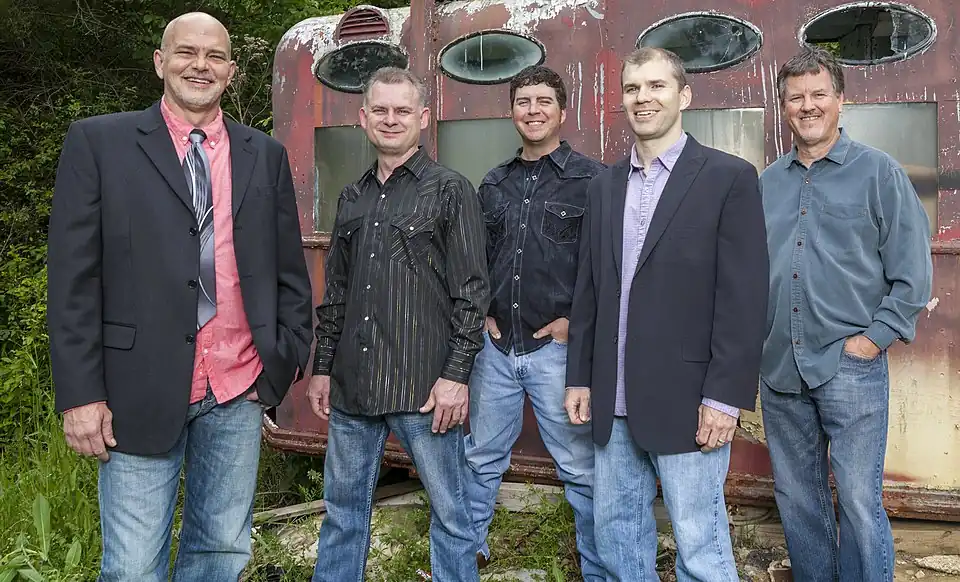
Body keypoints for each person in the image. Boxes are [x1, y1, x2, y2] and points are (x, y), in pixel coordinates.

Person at [46, 12, 313, 581]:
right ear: (160, 62)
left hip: (237, 387)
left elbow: (288, 267)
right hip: (135, 389)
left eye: (215, 56)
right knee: (133, 567)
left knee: (221, 553)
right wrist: (80, 395)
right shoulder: (100, 143)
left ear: (231, 71)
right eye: (187, 52)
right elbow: (72, 281)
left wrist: (283, 359)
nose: (200, 65)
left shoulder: (263, 154)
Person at [565, 46, 769, 580]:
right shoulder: (603, 186)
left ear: (684, 96)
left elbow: (744, 298)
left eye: (656, 86)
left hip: (689, 401)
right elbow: (589, 290)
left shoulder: (728, 178)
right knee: (618, 544)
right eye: (633, 88)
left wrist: (724, 398)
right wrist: (579, 377)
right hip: (612, 400)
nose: (643, 98)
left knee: (700, 549)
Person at [306, 67, 489, 582]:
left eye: (402, 110)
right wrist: (322, 367)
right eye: (381, 110)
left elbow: (473, 291)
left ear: (423, 118)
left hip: (424, 388)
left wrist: (455, 377)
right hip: (353, 387)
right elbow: (336, 292)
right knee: (343, 513)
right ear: (364, 118)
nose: (391, 119)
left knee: (451, 514)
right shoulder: (352, 196)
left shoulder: (451, 190)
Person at [759, 47, 932, 582]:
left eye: (818, 94)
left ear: (840, 100)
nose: (807, 106)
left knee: (858, 500)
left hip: (850, 364)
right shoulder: (767, 183)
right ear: (783, 107)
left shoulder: (878, 172)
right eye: (795, 98)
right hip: (780, 368)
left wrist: (873, 339)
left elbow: (913, 269)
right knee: (797, 498)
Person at [462, 64, 606, 577]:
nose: (533, 110)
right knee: (480, 459)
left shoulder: (593, 180)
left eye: (544, 101)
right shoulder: (494, 183)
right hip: (497, 350)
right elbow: (476, 259)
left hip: (557, 352)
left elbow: (605, 267)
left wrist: (576, 324)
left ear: (562, 111)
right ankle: (466, 556)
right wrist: (481, 313)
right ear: (512, 112)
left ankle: (597, 568)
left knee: (580, 469)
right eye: (523, 102)